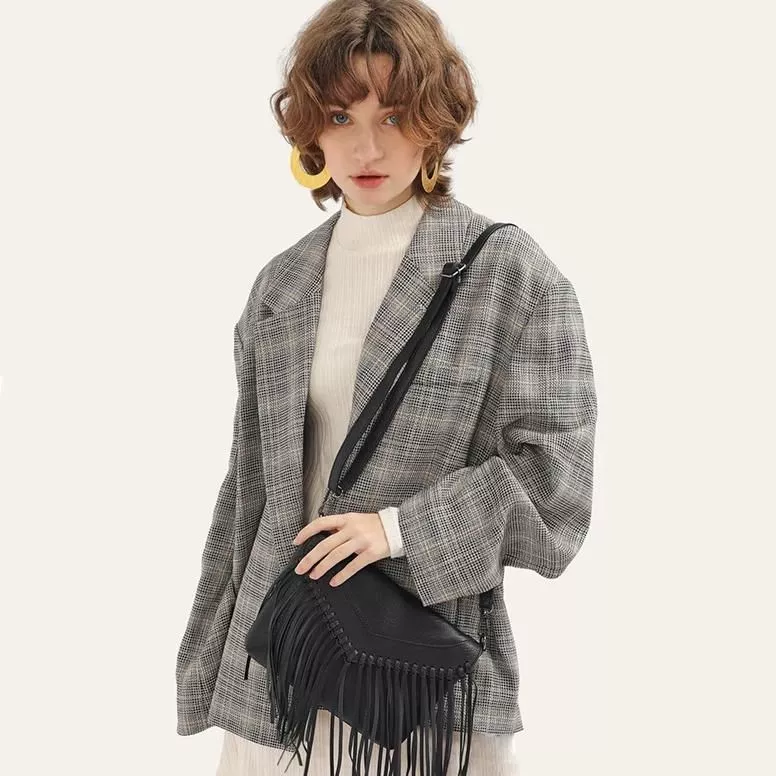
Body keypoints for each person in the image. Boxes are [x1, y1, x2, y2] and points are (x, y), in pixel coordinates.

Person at [175, 1, 598, 774]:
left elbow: (556, 490)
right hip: (277, 667)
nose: (366, 147)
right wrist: (209, 660)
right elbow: (247, 496)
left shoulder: (511, 278)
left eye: (395, 116)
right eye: (341, 116)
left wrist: (398, 530)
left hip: (416, 674)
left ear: (436, 123)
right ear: (310, 128)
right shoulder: (281, 286)